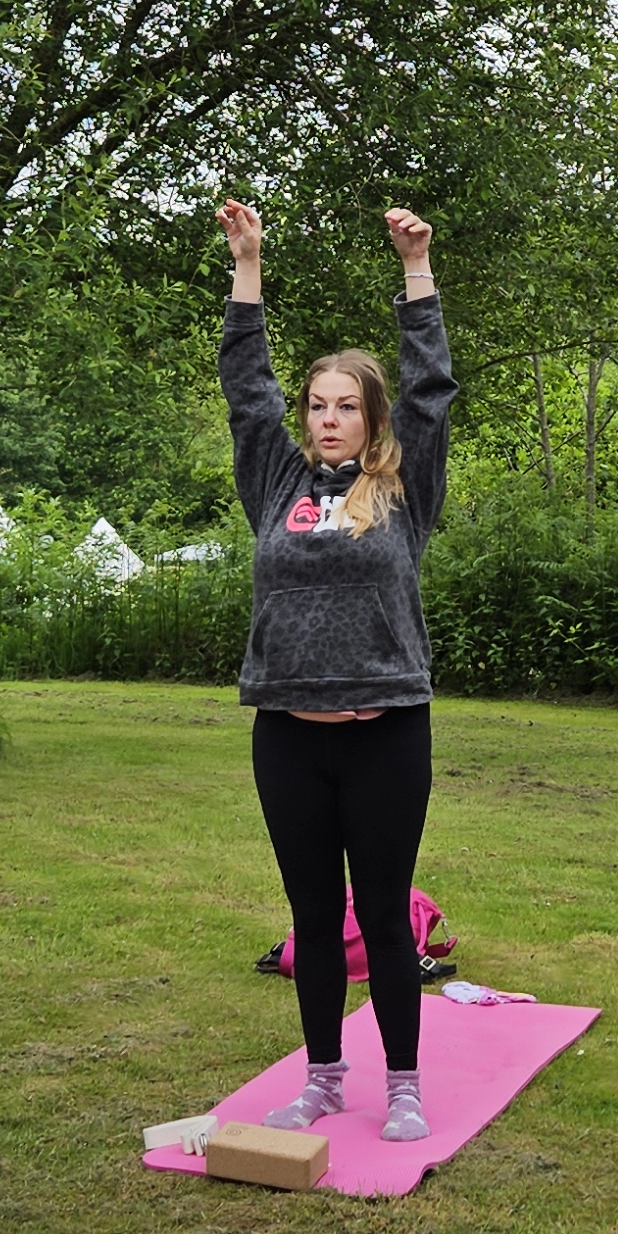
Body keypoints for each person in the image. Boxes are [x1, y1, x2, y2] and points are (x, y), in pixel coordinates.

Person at [220, 199, 454, 1140]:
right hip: (288, 735)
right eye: (317, 405)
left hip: (385, 732)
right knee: (312, 918)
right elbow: (246, 390)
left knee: (386, 917)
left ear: (371, 418)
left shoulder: (404, 485)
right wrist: (247, 265)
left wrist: (416, 269)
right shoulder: (275, 483)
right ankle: (322, 1077)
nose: (327, 419)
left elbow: (431, 390)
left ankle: (403, 1084)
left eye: (346, 405)